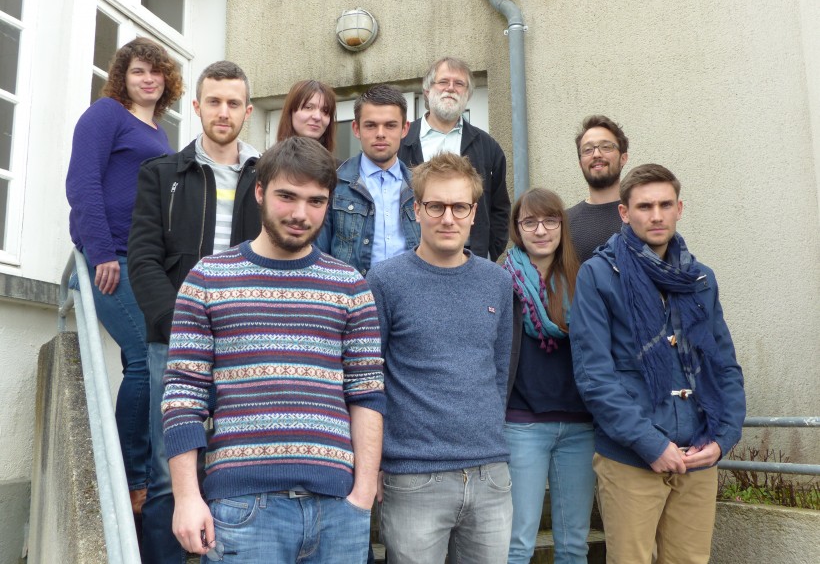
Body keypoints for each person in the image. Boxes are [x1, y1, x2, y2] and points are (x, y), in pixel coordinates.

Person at [162, 136, 385, 563]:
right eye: (287, 196)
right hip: (244, 507)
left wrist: (364, 492)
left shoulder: (351, 287)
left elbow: (367, 393)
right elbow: (182, 397)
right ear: (260, 192)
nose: (301, 214)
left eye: (316, 201)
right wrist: (187, 497)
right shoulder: (208, 279)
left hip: (338, 507)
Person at [570, 164, 745, 563]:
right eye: (645, 205)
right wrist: (652, 444)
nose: (656, 215)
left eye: (665, 204)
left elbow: (725, 368)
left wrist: (722, 440)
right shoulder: (599, 274)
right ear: (624, 212)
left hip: (699, 456)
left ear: (679, 208)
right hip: (632, 457)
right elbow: (594, 376)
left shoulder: (700, 278)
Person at [128, 60, 259, 564]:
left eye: (233, 103)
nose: (223, 112)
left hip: (242, 341)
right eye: (214, 101)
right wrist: (176, 326)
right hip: (174, 342)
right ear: (196, 106)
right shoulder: (161, 174)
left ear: (247, 111)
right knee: (168, 471)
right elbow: (142, 259)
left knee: (231, 462)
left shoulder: (265, 175)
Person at [367, 153, 513, 564]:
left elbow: (500, 371)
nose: (448, 218)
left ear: (473, 213)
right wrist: (373, 462)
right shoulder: (385, 281)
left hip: (489, 474)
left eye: (459, 207)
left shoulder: (498, 283)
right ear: (417, 210)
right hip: (413, 477)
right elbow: (367, 378)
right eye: (436, 206)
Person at [65, 37, 183, 515]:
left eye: (156, 72)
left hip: (144, 258)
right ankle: (131, 478)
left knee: (161, 357)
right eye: (138, 71)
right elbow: (83, 182)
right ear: (122, 76)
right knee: (144, 355)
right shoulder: (105, 115)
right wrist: (101, 252)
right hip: (111, 257)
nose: (148, 79)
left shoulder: (159, 132)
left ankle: (149, 474)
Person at [503, 188, 595, 564]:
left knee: (574, 545)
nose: (540, 230)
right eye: (530, 222)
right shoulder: (500, 279)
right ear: (517, 228)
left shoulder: (585, 278)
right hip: (523, 423)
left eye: (550, 220)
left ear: (562, 225)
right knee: (517, 543)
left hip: (580, 425)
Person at [398, 57, 510, 261]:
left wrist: (485, 253)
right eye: (443, 82)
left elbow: (500, 209)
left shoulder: (487, 147)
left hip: (469, 260)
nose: (450, 88)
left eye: (459, 84)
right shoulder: (401, 141)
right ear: (427, 90)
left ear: (467, 95)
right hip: (410, 258)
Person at [315, 84, 420, 276]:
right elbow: (319, 254)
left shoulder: (421, 187)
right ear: (356, 128)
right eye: (371, 125)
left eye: (390, 125)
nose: (380, 133)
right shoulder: (333, 184)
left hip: (410, 297)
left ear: (405, 129)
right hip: (351, 297)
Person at [567, 115, 630, 262]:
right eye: (588, 150)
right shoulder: (564, 223)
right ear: (580, 163)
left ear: (623, 158)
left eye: (606, 147)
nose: (596, 154)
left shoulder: (642, 215)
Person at [277, 79, 337, 154]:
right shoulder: (266, 163)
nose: (317, 117)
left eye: (325, 110)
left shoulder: (338, 165)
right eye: (308, 107)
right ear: (290, 112)